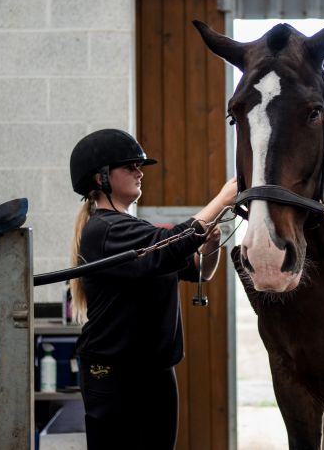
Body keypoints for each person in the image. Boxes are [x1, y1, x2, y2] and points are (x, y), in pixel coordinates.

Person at [68, 128, 237, 450]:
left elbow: (200, 272)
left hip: (155, 370)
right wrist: (222, 199)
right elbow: (168, 246)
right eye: (129, 166)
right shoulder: (103, 229)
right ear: (101, 178)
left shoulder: (136, 228)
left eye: (139, 165)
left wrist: (211, 246)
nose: (139, 172)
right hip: (116, 373)